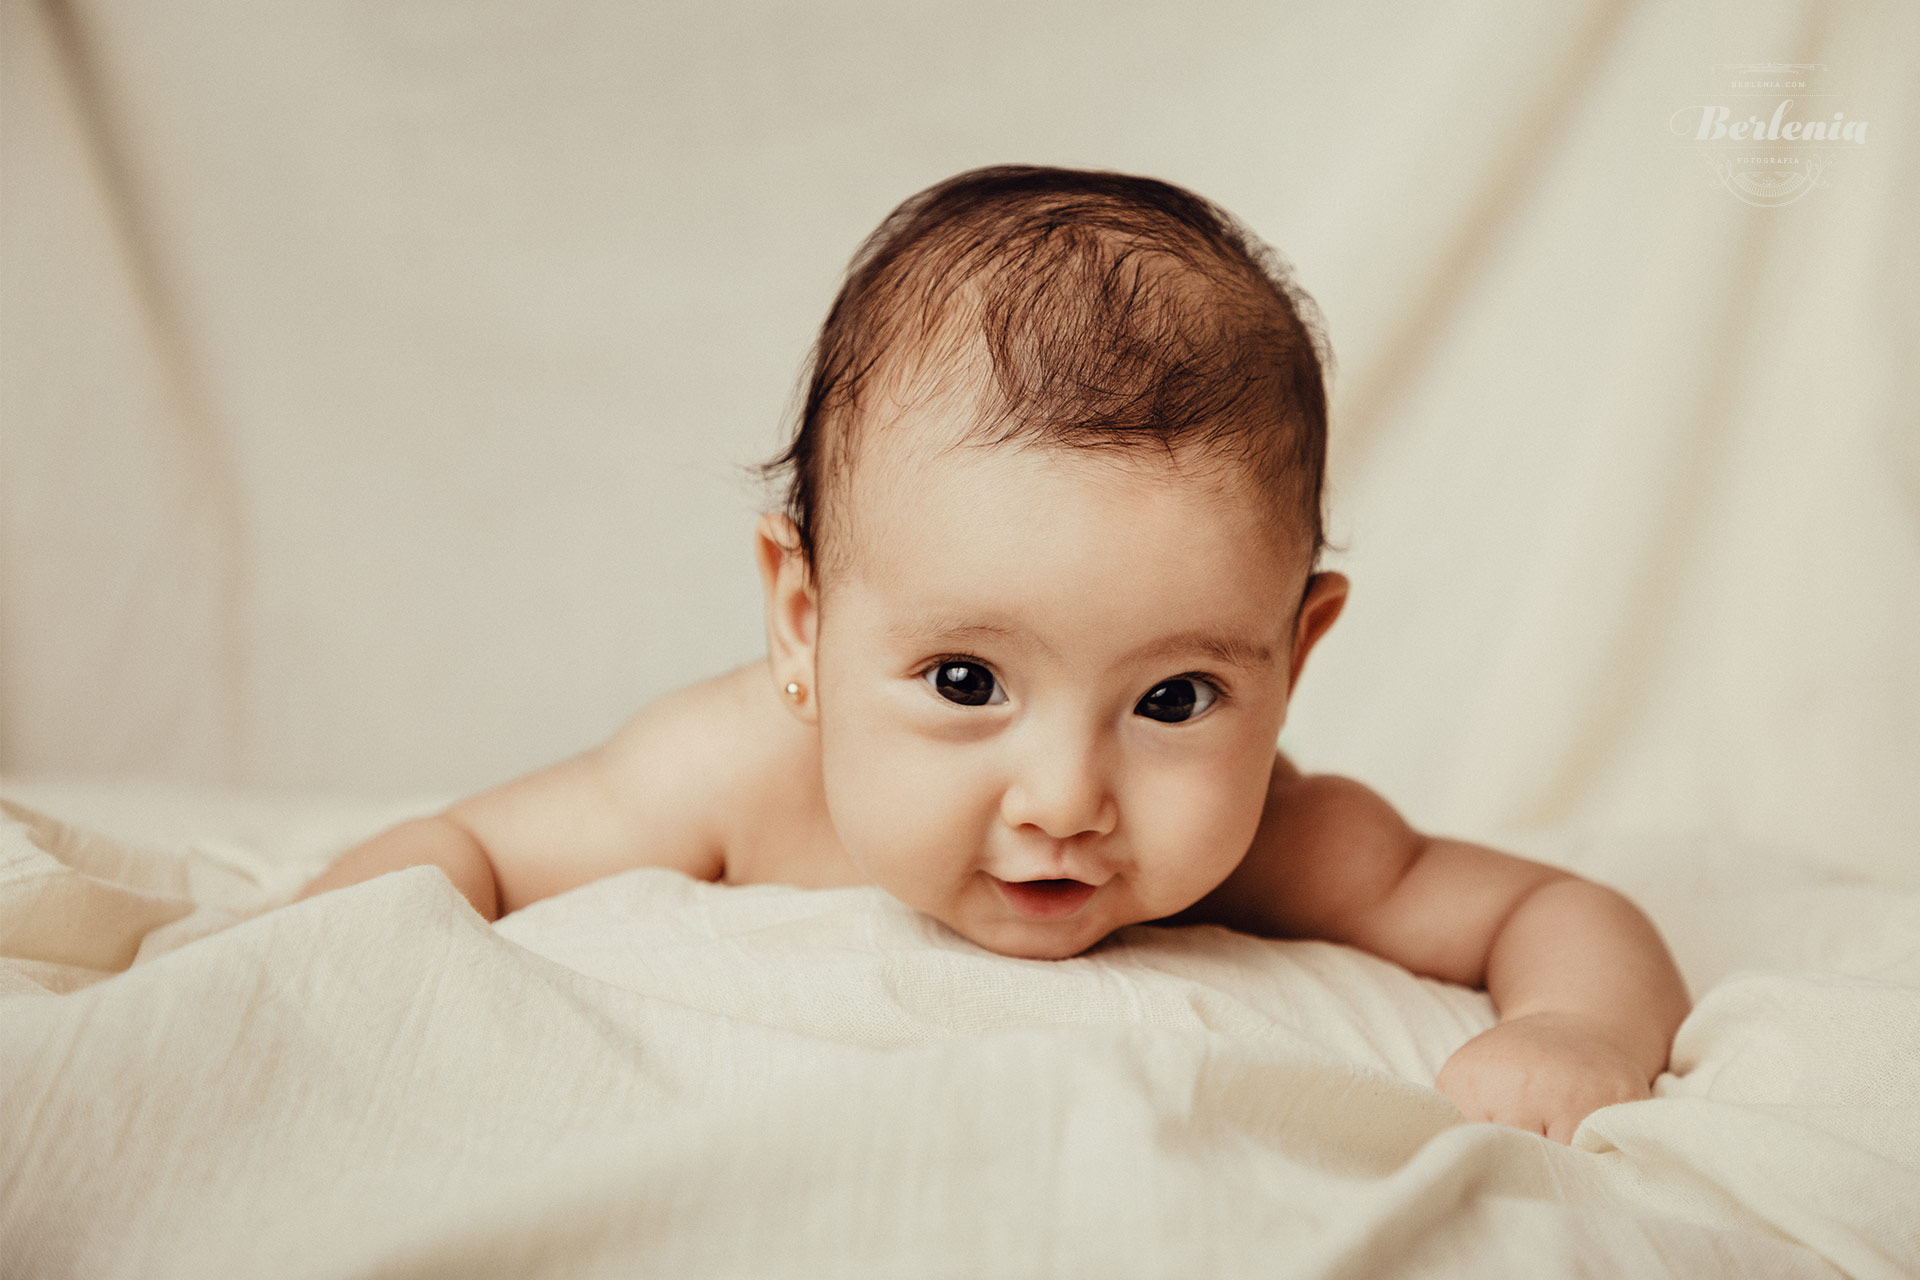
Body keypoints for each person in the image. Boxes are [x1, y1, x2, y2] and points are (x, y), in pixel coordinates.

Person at [297, 164, 1690, 1144]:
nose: (1064, 799)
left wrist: (1578, 1031)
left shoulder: (1283, 840)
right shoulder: (725, 773)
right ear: (806, 620)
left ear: (1294, 656)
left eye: (1173, 698)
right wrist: (297, 963)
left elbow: (1549, 912)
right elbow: (462, 850)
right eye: (967, 682)